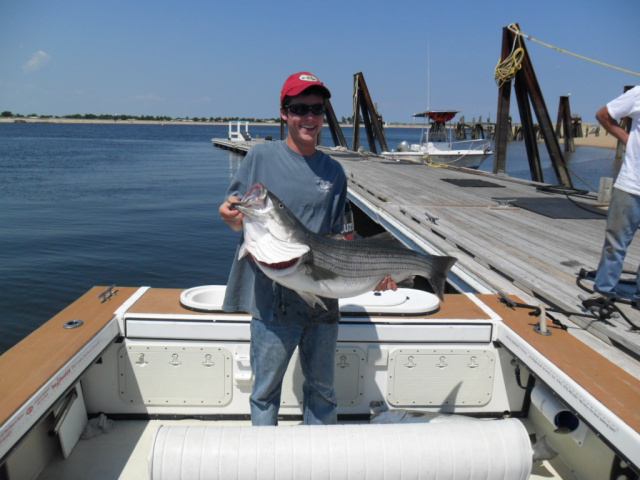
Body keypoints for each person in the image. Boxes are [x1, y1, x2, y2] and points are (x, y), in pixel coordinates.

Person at [219, 72, 395, 425]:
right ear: (284, 113)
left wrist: (374, 273)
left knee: (323, 394)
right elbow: (234, 204)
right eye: (300, 108)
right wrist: (230, 215)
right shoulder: (260, 157)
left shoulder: (334, 172)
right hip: (271, 304)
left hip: (323, 302)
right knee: (265, 393)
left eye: (317, 109)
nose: (310, 118)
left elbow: (341, 238)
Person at [592, 86, 640, 303]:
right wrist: (625, 138)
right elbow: (604, 115)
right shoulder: (638, 93)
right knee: (616, 243)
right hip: (631, 184)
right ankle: (603, 292)